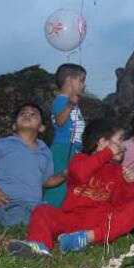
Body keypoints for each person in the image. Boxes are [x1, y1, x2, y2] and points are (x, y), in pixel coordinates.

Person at [8, 119, 134, 257]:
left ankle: (85, 238)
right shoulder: (79, 159)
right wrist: (106, 153)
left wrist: (130, 183)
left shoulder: (119, 172)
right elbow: (80, 174)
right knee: (42, 210)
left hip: (98, 224)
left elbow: (123, 204)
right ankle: (39, 245)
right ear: (102, 142)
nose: (124, 147)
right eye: (120, 140)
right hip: (71, 220)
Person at [0, 103, 64, 227]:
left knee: (59, 219)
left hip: (35, 206)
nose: (27, 115)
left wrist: (64, 175)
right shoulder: (4, 144)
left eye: (33, 114)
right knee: (21, 219)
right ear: (14, 126)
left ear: (41, 127)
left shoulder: (45, 151)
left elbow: (46, 181)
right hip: (7, 203)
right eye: (23, 113)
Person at [43, 63, 87, 206]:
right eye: (81, 80)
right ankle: (49, 208)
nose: (83, 85)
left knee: (70, 183)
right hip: (63, 148)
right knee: (59, 183)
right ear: (69, 80)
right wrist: (70, 105)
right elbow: (60, 121)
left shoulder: (72, 103)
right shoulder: (61, 100)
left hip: (74, 149)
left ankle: (63, 211)